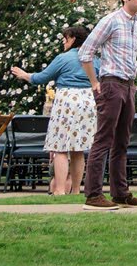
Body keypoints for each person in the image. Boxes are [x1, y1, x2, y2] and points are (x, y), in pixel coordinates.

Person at [79, 0, 137, 210]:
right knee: (104, 139)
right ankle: (93, 195)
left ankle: (120, 192)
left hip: (129, 84)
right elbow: (85, 52)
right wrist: (94, 82)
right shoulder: (111, 21)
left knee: (122, 141)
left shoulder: (134, 22)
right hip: (111, 83)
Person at [11, 22, 95, 196]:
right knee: (78, 149)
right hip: (87, 101)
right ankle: (76, 190)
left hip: (66, 100)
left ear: (73, 39)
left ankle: (59, 190)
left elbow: (43, 77)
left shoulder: (63, 58)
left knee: (60, 148)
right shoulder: (93, 59)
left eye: (65, 39)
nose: (64, 43)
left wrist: (25, 75)